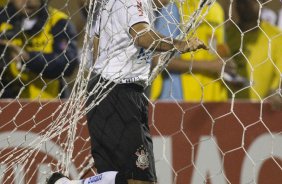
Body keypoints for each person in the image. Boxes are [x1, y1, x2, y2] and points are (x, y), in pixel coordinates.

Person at [47, 0, 206, 184]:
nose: (170, 2)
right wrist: (179, 44)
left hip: (109, 92)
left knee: (123, 178)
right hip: (119, 92)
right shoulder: (132, 1)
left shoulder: (115, 4)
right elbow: (142, 36)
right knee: (140, 180)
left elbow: (98, 42)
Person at [150, 0, 236, 101]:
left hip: (212, 101)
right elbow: (158, 59)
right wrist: (210, 66)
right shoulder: (174, 7)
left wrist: (227, 68)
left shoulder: (217, 9)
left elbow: (217, 52)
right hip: (178, 100)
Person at [0, 0, 79, 99]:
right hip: (6, 100)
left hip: (48, 101)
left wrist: (28, 57)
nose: (28, 1)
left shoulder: (58, 21)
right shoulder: (3, 19)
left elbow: (68, 62)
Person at [226, 0, 282, 110]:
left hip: (264, 111)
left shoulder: (276, 37)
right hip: (228, 109)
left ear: (261, 3)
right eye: (240, 2)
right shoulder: (227, 35)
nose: (245, 6)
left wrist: (277, 93)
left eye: (250, 2)